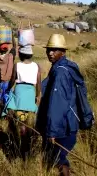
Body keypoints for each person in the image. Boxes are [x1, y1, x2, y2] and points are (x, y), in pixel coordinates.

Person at [36, 34, 83, 176]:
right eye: (49, 49)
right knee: (57, 158)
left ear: (63, 51)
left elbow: (57, 104)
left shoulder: (60, 72)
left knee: (58, 160)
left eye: (54, 50)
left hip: (62, 127)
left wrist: (52, 131)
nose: (50, 53)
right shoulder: (61, 67)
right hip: (68, 124)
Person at [2, 44, 42, 161]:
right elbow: (38, 82)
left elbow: (13, 79)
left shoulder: (17, 65)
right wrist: (37, 95)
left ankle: (21, 140)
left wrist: (8, 89)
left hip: (19, 92)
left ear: (21, 54)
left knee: (20, 119)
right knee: (29, 119)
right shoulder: (36, 66)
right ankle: (27, 140)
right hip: (30, 92)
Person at [0, 31, 17, 114]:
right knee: (6, 99)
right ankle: (4, 115)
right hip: (7, 82)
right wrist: (12, 36)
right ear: (7, 50)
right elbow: (15, 46)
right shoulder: (10, 57)